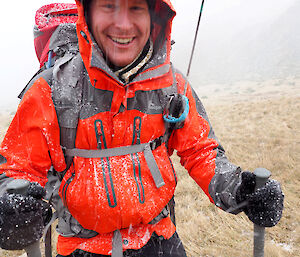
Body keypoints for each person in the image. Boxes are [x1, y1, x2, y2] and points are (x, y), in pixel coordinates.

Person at [0, 0, 284, 256]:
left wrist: (241, 191)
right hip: (81, 247)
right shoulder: (50, 90)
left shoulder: (172, 86)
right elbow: (16, 172)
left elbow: (201, 153)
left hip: (161, 240)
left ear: (154, 15)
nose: (123, 24)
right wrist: (10, 207)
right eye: (109, 5)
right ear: (87, 13)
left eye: (136, 6)